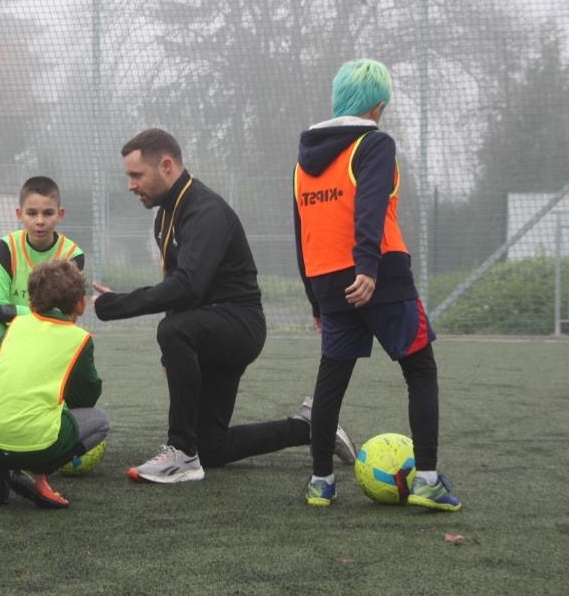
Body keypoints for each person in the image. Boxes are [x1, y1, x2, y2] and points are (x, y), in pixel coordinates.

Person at [93, 128, 357, 484]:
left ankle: (181, 452)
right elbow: (181, 291)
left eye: (136, 175)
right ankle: (309, 426)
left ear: (167, 165)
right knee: (213, 448)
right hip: (208, 327)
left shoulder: (205, 211)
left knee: (173, 330)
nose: (130, 185)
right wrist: (172, 355)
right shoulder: (165, 216)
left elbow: (188, 284)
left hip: (239, 325)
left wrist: (119, 305)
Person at [294, 59, 461, 510]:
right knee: (420, 369)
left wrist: (315, 299)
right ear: (379, 106)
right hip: (379, 275)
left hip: (327, 281)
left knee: (332, 379)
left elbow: (302, 231)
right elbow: (369, 205)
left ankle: (321, 483)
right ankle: (426, 479)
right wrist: (366, 267)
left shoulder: (304, 159)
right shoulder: (374, 143)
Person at [0, 176, 85, 464]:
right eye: (32, 213)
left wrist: (15, 313)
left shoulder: (73, 254)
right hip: (10, 330)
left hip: (49, 332)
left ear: (60, 215)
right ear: (19, 214)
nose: (39, 221)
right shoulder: (7, 247)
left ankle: (57, 430)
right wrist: (22, 315)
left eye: (48, 213)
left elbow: (65, 315)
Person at [0, 259, 108, 510]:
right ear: (81, 304)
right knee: (100, 421)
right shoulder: (79, 338)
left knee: (6, 404)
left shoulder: (16, 326)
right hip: (33, 443)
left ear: (30, 305)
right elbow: (86, 397)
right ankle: (36, 473)